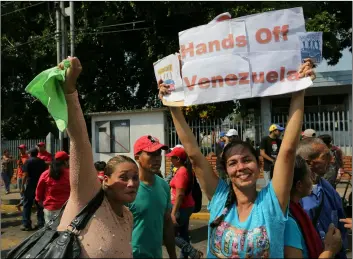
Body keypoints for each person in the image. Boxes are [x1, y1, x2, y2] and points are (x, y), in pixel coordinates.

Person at [158, 59, 316, 257]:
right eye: (233, 162)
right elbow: (194, 155)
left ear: (258, 165)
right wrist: (172, 103)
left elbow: (287, 152)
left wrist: (299, 89)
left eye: (247, 160)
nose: (241, 166)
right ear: (226, 170)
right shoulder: (219, 198)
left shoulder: (272, 202)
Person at [56, 57, 139, 258]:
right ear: (106, 180)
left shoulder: (128, 216)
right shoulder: (86, 197)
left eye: (135, 177)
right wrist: (69, 89)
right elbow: (80, 141)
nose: (131, 184)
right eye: (123, 177)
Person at [298, 137, 348, 258]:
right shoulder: (294, 195)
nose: (331, 161)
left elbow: (340, 224)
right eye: (325, 157)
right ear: (308, 162)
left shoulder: (328, 188)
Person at [127, 135, 177, 258]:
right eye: (151, 154)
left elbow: (167, 223)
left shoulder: (164, 185)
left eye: (158, 153)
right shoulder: (127, 188)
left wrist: (173, 255)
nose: (157, 159)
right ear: (137, 157)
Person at [284, 155, 342, 258]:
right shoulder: (289, 221)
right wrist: (329, 250)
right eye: (309, 176)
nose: (312, 181)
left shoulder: (295, 209)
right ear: (299, 185)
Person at [166, 147, 202, 258]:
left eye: (172, 158)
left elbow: (180, 194)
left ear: (177, 159)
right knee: (183, 233)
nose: (170, 160)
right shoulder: (184, 170)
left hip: (181, 207)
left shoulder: (181, 172)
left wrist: (173, 212)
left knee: (170, 234)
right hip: (186, 206)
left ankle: (192, 252)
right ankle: (185, 256)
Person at [35, 151, 71, 223]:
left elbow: (39, 192)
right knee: (65, 232)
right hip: (67, 208)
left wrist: (42, 203)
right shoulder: (70, 174)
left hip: (50, 208)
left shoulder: (45, 174)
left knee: (51, 232)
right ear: (65, 161)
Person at [21, 148, 47, 230]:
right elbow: (45, 173)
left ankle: (26, 224)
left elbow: (25, 175)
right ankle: (41, 223)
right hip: (40, 184)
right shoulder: (42, 161)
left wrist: (22, 186)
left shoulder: (28, 161)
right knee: (40, 204)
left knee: (27, 204)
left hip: (30, 185)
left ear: (30, 154)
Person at [16, 144, 29, 211]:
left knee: (25, 190)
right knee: (20, 191)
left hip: (25, 176)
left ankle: (23, 204)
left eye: (21, 148)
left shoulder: (27, 157)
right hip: (19, 175)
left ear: (25, 149)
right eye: (19, 148)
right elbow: (18, 167)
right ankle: (22, 203)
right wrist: (16, 175)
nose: (20, 150)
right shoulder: (19, 156)